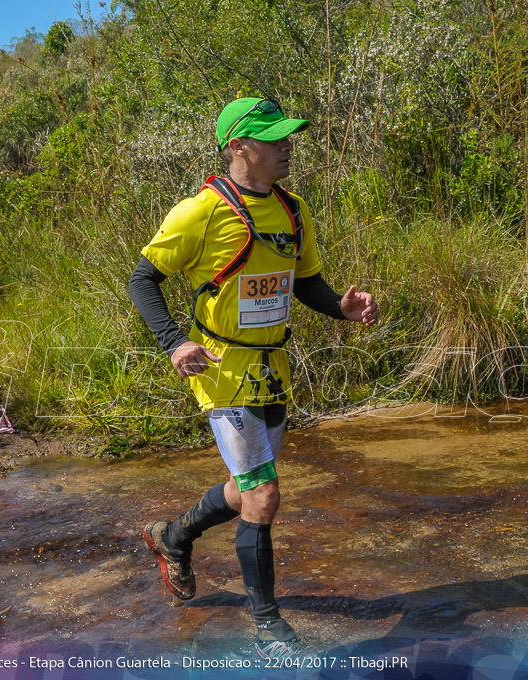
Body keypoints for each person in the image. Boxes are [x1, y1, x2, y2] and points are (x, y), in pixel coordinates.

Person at [129, 97, 379, 659]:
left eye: (289, 136)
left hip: (273, 368)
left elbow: (305, 282)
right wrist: (175, 342)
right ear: (239, 146)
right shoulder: (199, 212)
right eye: (274, 138)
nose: (287, 145)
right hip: (221, 370)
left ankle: (174, 536)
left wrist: (341, 307)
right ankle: (268, 626)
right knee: (263, 494)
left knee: (247, 489)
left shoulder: (294, 210)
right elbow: (143, 280)